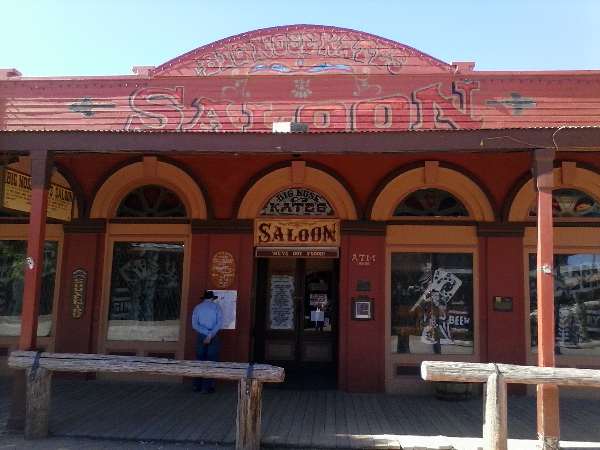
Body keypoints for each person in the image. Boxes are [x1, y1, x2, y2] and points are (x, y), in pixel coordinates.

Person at [191, 290, 223, 393]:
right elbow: (219, 323)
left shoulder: (197, 308)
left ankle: (197, 385)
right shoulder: (217, 308)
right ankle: (208, 386)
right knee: (211, 361)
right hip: (213, 336)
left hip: (201, 335)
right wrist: (210, 334)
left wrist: (205, 333)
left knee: (199, 360)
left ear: (204, 298)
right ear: (212, 298)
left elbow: (194, 324)